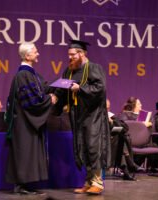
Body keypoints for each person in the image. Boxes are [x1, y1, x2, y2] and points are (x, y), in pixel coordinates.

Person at [53, 40, 111, 195]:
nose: (70, 57)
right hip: (77, 115)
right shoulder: (69, 71)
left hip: (93, 114)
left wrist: (80, 89)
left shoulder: (94, 68)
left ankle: (98, 182)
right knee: (82, 148)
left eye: (73, 55)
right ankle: (88, 181)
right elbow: (63, 89)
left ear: (82, 54)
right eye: (69, 55)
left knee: (93, 147)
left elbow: (100, 89)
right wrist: (55, 98)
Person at [5, 42, 56, 195]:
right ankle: (21, 185)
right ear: (27, 56)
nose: (38, 53)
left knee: (28, 152)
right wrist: (50, 99)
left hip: (27, 122)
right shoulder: (24, 75)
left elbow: (43, 88)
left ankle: (26, 184)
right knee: (24, 152)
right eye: (35, 51)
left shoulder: (31, 74)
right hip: (24, 122)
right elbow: (33, 100)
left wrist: (61, 85)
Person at [106, 99, 138, 181]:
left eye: (108, 108)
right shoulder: (97, 117)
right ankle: (129, 165)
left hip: (113, 142)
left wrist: (112, 122)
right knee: (121, 138)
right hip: (103, 142)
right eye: (105, 108)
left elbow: (125, 128)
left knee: (122, 136)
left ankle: (126, 169)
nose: (107, 110)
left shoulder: (110, 116)